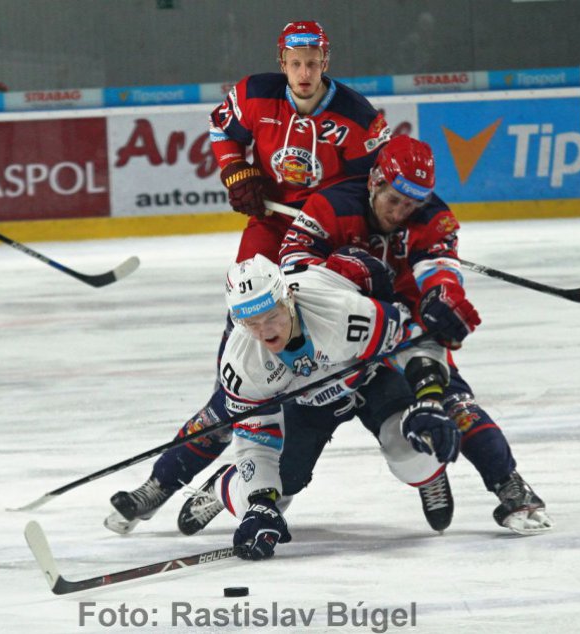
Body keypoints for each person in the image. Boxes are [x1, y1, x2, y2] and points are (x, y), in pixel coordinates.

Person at [105, 20, 391, 533]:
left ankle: (237, 487)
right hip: (270, 228)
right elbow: (223, 131)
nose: (304, 73)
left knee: (305, 401)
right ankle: (162, 483)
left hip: (323, 241)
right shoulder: (255, 94)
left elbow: (370, 184)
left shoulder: (357, 116)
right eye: (295, 63)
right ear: (283, 62)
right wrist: (238, 171)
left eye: (313, 63)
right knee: (235, 382)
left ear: (326, 62)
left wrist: (328, 215)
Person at [279, 135, 553, 535]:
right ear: (374, 181)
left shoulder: (433, 217)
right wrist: (341, 275)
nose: (400, 213)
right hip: (338, 333)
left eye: (411, 205)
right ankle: (247, 491)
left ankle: (508, 485)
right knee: (289, 418)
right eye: (394, 200)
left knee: (452, 400)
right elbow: (293, 271)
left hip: (403, 329)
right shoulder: (329, 205)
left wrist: (443, 298)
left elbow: (439, 271)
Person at [179, 254, 460, 559]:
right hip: (308, 403)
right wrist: (260, 499)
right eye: (251, 323)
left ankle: (429, 473)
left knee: (412, 454)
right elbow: (256, 437)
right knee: (274, 492)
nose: (265, 331)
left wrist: (429, 399)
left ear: (288, 297)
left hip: (370, 378)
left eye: (271, 316)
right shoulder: (242, 364)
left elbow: (413, 341)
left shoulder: (343, 312)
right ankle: (225, 485)